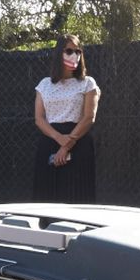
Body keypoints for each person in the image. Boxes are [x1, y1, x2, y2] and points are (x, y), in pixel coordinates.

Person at [32, 35, 100, 202]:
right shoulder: (44, 84)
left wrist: (67, 144)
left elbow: (88, 117)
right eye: (69, 51)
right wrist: (58, 139)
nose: (74, 55)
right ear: (58, 53)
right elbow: (39, 119)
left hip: (79, 141)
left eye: (78, 51)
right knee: (46, 195)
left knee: (77, 194)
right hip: (50, 140)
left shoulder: (87, 83)